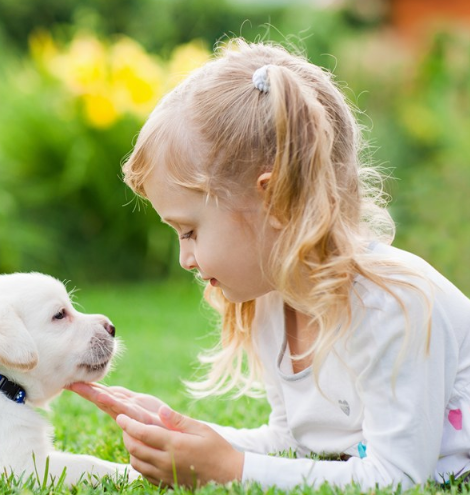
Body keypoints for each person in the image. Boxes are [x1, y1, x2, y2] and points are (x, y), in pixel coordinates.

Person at [68, 39, 470, 489]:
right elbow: (291, 444)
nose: (185, 258)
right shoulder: (272, 302)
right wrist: (178, 431)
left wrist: (228, 470)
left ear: (273, 199)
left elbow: (395, 479)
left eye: (189, 231)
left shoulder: (393, 306)